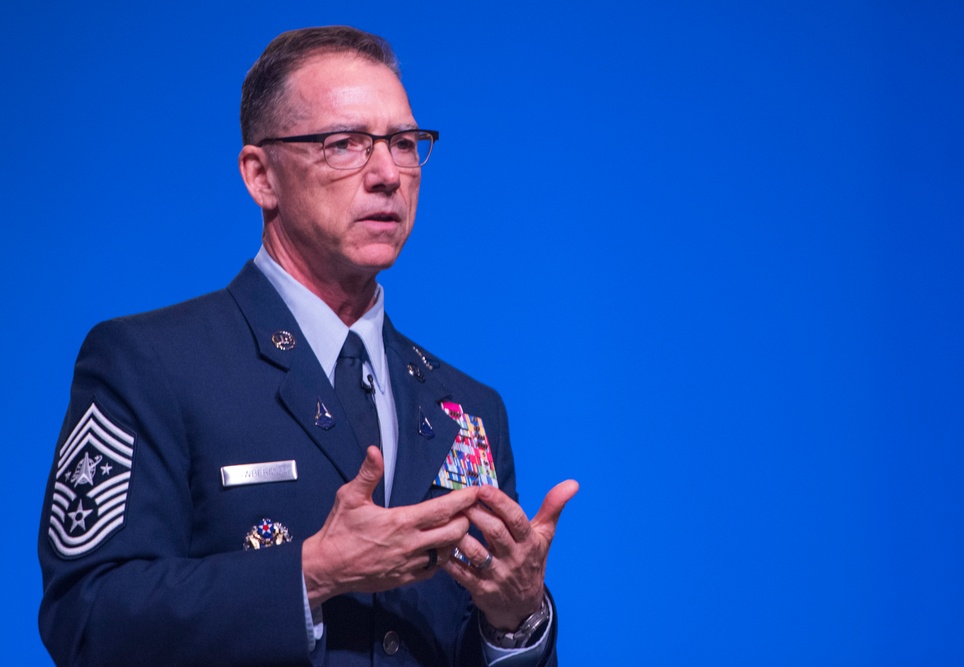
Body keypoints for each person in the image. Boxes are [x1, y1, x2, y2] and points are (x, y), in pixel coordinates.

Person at [38, 26, 577, 666]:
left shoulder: (467, 408)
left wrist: (515, 619)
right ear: (260, 176)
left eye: (404, 144)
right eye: (344, 144)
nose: (387, 174)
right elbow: (87, 617)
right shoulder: (149, 363)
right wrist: (312, 572)